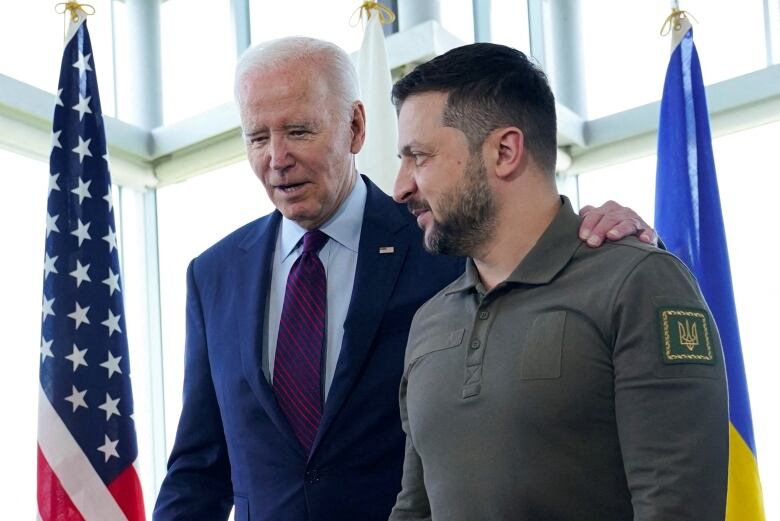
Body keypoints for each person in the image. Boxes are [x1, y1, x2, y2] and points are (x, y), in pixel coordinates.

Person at [153, 37, 658, 521]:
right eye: (257, 138)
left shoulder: (444, 239)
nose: (276, 158)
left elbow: (535, 247)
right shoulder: (214, 274)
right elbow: (200, 466)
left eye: (299, 131)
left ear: (354, 127)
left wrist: (604, 232)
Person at [388, 42, 728, 521]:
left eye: (418, 157)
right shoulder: (429, 319)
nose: (400, 186)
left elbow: (678, 507)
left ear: (504, 151)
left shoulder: (638, 283)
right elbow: (414, 508)